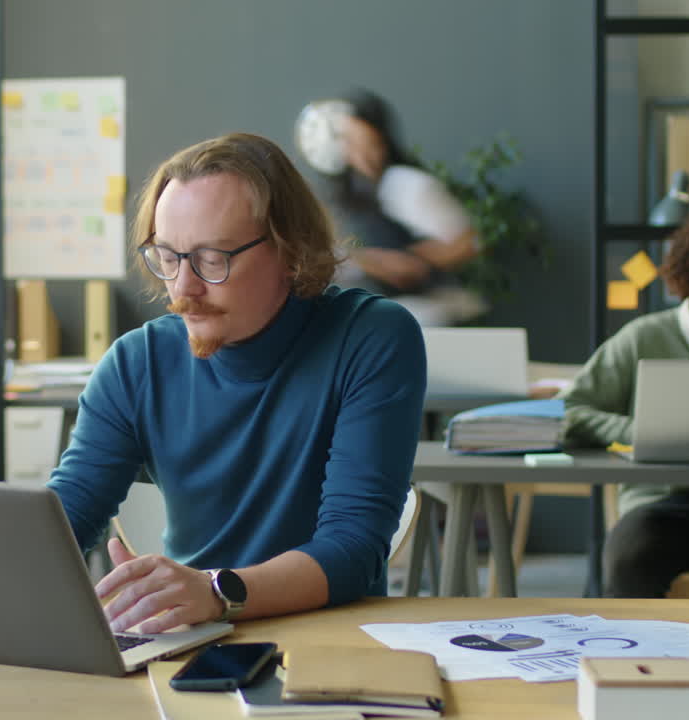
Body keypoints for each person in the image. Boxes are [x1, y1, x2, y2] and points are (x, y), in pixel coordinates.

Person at [46, 132, 426, 634]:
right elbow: (64, 520)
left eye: (212, 259)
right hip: (187, 638)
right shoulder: (136, 363)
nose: (183, 289)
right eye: (167, 257)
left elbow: (353, 548)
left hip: (331, 641)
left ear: (291, 252)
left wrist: (215, 591)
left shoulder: (371, 337)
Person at [562, 205, 689, 598]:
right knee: (628, 559)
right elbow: (568, 411)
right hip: (664, 504)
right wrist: (639, 432)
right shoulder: (644, 338)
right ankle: (638, 661)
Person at [325, 89, 485, 326]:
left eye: (363, 142)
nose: (356, 152)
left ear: (380, 140)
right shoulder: (354, 194)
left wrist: (415, 260)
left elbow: (470, 243)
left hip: (433, 314)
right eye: (348, 141)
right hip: (383, 313)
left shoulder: (408, 184)